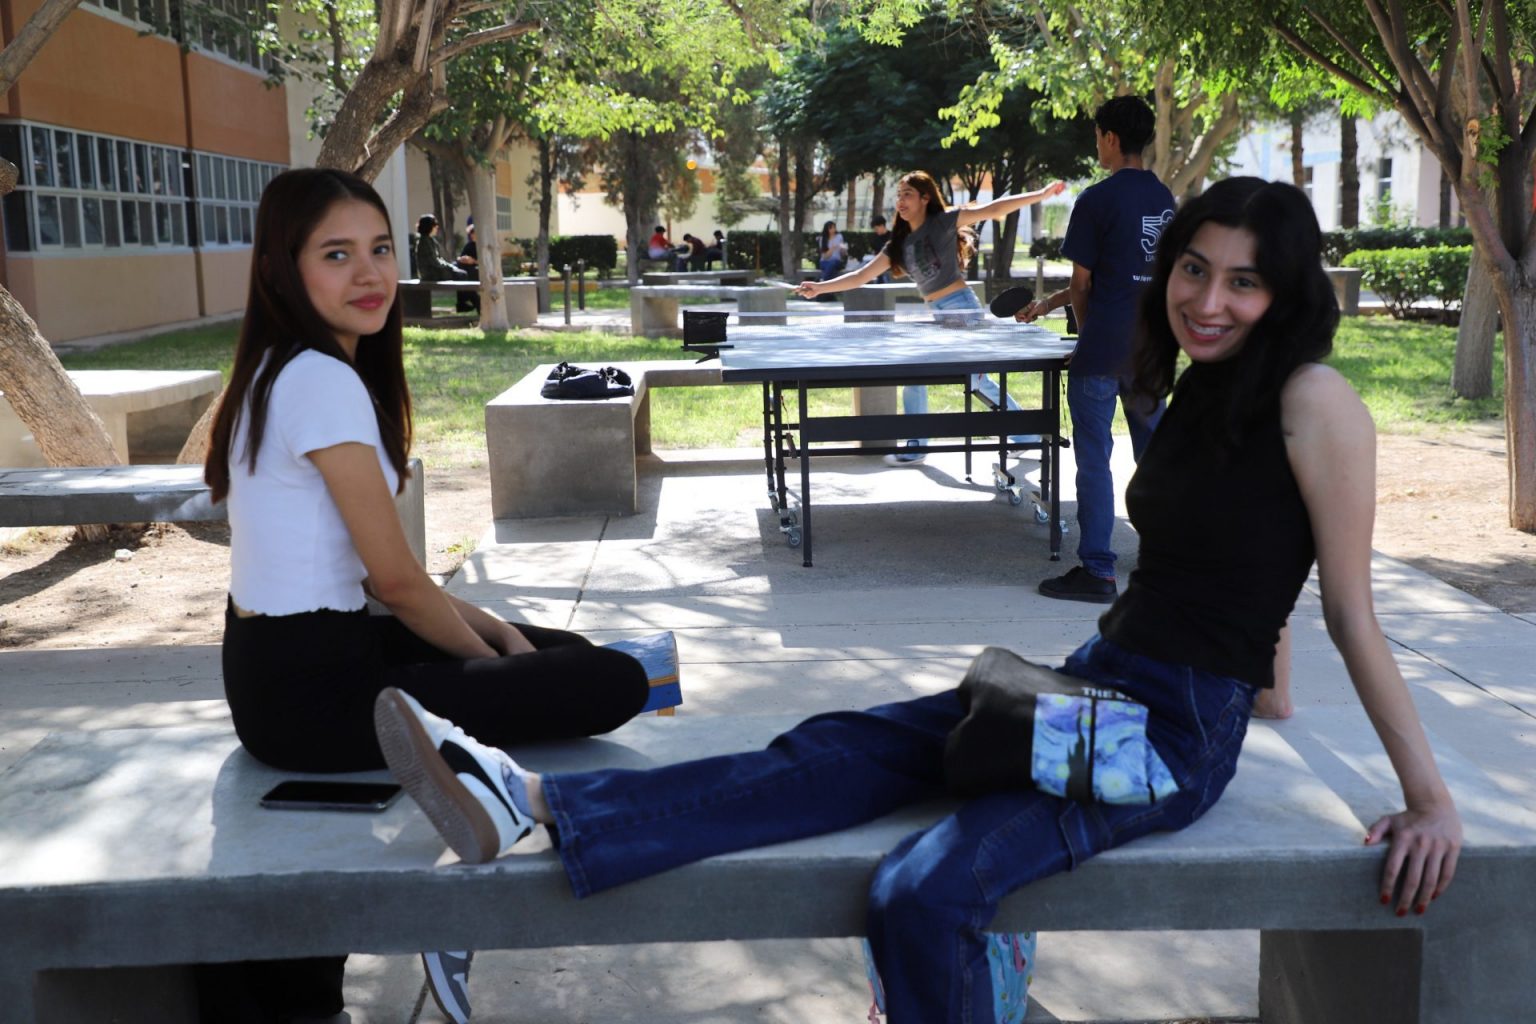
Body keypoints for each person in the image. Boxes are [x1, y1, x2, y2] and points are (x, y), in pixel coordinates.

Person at [374, 176, 1462, 1024]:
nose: (1208, 300)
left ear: (1286, 293)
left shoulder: (1317, 400)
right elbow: (1230, 560)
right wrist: (1267, 682)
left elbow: (1347, 607)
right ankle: (541, 804)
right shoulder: (1201, 387)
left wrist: (1429, 800)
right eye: (1193, 269)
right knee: (839, 748)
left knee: (922, 889)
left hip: (1166, 738)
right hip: (1098, 684)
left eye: (1243, 282)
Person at [202, 168, 650, 1024]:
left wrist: (504, 640)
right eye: (337, 255)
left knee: (562, 655)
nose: (370, 274)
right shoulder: (321, 380)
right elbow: (398, 583)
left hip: (286, 663)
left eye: (380, 249)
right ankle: (481, 802)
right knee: (615, 681)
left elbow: (387, 581)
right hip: (314, 694)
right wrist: (494, 667)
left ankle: (475, 759)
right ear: (282, 269)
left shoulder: (276, 368)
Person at [1017, 96, 1174, 604]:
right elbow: (1141, 277)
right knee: (1155, 459)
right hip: (1151, 352)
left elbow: (1084, 284)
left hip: (1103, 351)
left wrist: (1085, 338)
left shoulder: (1096, 200)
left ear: (1109, 137)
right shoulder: (1164, 200)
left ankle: (1099, 572)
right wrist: (1049, 304)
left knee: (1094, 461)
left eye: (1097, 136)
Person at [799, 172, 1065, 465]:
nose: (901, 201)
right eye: (899, 195)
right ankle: (1012, 437)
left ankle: (1014, 436)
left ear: (925, 198)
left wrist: (1041, 194)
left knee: (968, 379)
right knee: (933, 376)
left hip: (962, 311)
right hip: (940, 314)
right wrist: (820, 287)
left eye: (908, 194)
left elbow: (994, 208)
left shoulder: (942, 222)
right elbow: (861, 276)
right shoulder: (899, 244)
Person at [414, 213, 478, 315]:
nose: (437, 227)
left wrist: (451, 266)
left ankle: (464, 303)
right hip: (431, 274)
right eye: (435, 225)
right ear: (429, 227)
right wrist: (451, 268)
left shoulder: (429, 240)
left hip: (434, 270)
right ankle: (473, 303)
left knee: (461, 273)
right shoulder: (424, 242)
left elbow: (438, 260)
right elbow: (434, 262)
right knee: (462, 274)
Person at [869, 214, 892, 283]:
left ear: (882, 226)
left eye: (876, 229)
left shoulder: (892, 236)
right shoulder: (874, 238)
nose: (876, 231)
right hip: (877, 263)